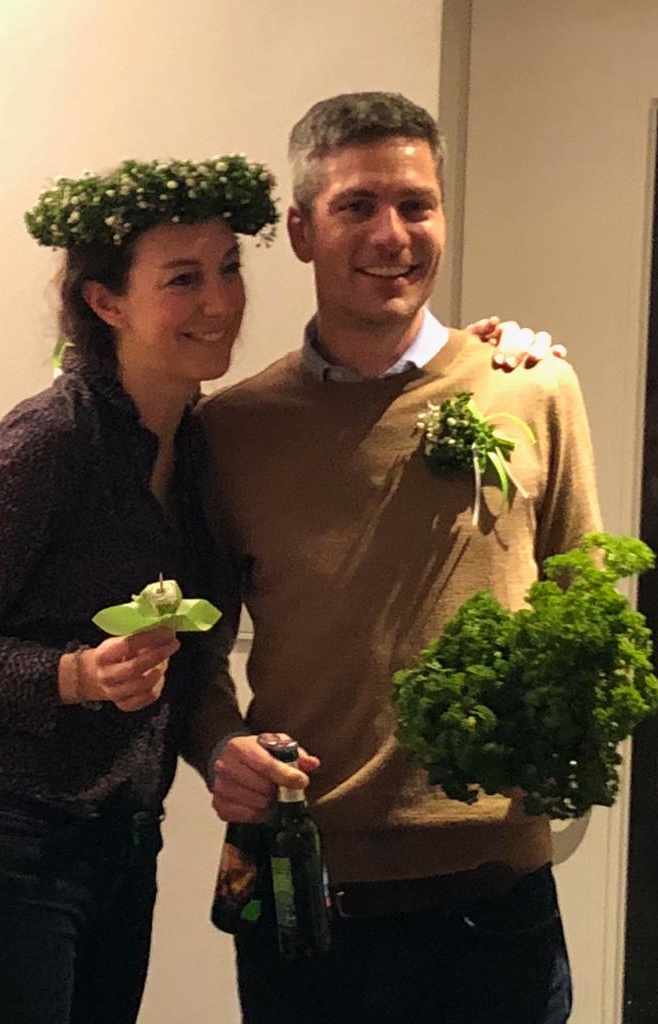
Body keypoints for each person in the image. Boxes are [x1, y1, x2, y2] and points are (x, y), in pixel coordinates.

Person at [186, 93, 600, 1023]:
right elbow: (195, 651)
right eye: (358, 206)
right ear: (301, 231)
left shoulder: (532, 389)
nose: (393, 235)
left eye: (417, 205)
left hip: (496, 899)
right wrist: (218, 748)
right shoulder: (232, 429)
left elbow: (587, 604)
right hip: (305, 895)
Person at [0, 154, 278, 1024]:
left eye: (229, 268)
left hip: (126, 837)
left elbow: (194, 660)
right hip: (7, 837)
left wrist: (223, 747)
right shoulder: (47, 442)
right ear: (106, 302)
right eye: (183, 279)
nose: (221, 302)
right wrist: (72, 676)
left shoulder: (202, 446)